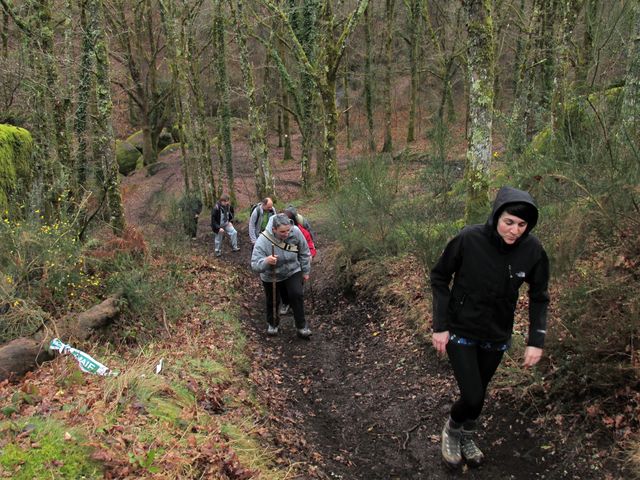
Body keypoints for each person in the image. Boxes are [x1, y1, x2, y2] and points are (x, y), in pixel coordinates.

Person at [430, 186, 550, 469]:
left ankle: (467, 435)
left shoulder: (532, 250)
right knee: (473, 395)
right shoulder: (469, 239)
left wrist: (536, 340)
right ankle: (452, 430)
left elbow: (539, 295)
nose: (514, 231)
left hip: (496, 332)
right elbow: (439, 277)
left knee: (479, 393)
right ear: (497, 215)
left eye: (522, 225)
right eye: (509, 222)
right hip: (461, 329)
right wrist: (440, 325)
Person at [251, 213, 312, 338]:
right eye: (282, 232)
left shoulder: (295, 231)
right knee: (272, 300)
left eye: (288, 230)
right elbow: (255, 264)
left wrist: (305, 271)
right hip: (271, 275)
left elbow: (304, 252)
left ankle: (301, 326)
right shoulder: (263, 240)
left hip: (292, 270)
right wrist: (266, 261)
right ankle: (273, 323)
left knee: (297, 294)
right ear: (274, 229)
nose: (286, 234)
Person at [280, 208, 317, 316]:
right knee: (282, 283)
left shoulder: (302, 232)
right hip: (282, 262)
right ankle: (286, 302)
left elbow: (310, 246)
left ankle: (295, 302)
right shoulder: (275, 232)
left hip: (298, 262)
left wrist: (309, 257)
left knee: (297, 285)